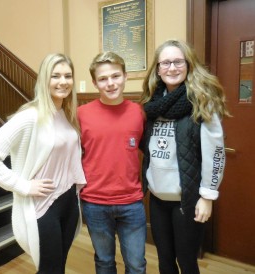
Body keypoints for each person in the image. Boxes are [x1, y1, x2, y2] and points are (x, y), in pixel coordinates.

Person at [0, 53, 87, 274]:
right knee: (49, 268)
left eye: (67, 76)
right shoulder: (30, 116)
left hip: (68, 200)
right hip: (43, 205)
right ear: (44, 80)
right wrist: (24, 186)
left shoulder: (66, 113)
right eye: (55, 76)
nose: (63, 81)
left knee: (58, 266)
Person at [140, 39, 231, 274]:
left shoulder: (202, 102)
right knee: (165, 261)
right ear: (158, 69)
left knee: (187, 262)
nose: (172, 68)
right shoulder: (152, 104)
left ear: (189, 65)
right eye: (166, 62)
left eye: (178, 61)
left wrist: (208, 196)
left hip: (187, 201)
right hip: (158, 199)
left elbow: (216, 153)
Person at [77, 51, 147, 274]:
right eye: (103, 79)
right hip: (95, 202)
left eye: (115, 76)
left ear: (126, 76)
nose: (110, 83)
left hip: (132, 202)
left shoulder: (139, 112)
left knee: (136, 265)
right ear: (95, 83)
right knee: (104, 262)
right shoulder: (80, 114)